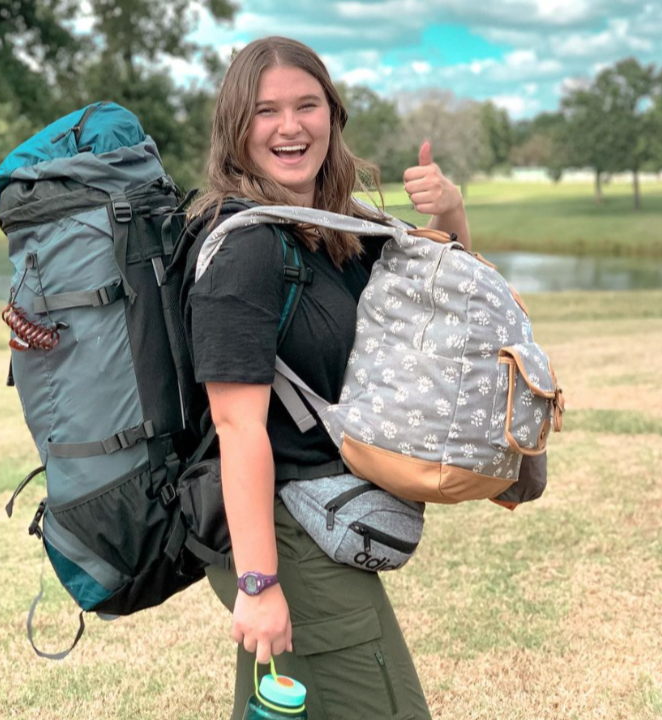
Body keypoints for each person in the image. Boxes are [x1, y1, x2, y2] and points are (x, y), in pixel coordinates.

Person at [181, 35, 471, 720]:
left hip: (310, 524)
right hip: (279, 533)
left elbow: (450, 312)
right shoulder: (245, 250)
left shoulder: (331, 228)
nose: (290, 126)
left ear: (332, 116)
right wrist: (258, 583)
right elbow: (235, 424)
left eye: (307, 105)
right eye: (266, 110)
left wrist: (451, 214)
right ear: (235, 127)